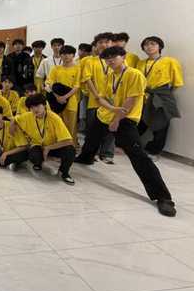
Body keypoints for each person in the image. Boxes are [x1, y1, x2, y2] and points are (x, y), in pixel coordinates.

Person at [75, 46, 175, 217]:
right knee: (92, 137)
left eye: (114, 57)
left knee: (138, 156)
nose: (110, 61)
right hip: (105, 114)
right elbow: (102, 98)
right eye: (107, 59)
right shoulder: (110, 75)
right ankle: (86, 157)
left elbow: (130, 101)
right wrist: (111, 109)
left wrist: (116, 119)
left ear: (123, 57)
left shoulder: (134, 75)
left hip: (125, 119)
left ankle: (163, 198)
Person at [11, 94, 76, 185]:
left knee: (70, 150)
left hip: (53, 146)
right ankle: (38, 163)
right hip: (38, 146)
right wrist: (12, 125)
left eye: (37, 106)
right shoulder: (28, 116)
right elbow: (15, 119)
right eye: (32, 107)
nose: (35, 109)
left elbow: (69, 141)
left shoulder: (54, 118)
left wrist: (48, 148)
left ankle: (64, 172)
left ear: (44, 105)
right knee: (34, 157)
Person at [137, 36, 184, 156]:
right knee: (139, 122)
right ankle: (131, 145)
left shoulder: (170, 61)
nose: (149, 46)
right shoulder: (141, 63)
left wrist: (163, 95)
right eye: (146, 44)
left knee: (161, 124)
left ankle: (154, 151)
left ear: (160, 46)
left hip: (161, 96)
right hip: (143, 96)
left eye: (153, 44)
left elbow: (177, 83)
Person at [81, 32, 115, 163]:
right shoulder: (90, 61)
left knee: (111, 128)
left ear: (111, 43)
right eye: (100, 42)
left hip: (113, 101)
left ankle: (107, 153)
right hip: (95, 100)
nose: (104, 45)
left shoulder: (118, 60)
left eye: (107, 42)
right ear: (96, 45)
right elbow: (87, 79)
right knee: (92, 128)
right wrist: (96, 95)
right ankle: (92, 153)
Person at [46, 45, 81, 145]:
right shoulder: (55, 69)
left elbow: (76, 86)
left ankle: (71, 146)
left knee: (71, 126)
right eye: (64, 54)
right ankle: (58, 147)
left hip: (71, 101)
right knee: (57, 125)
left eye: (69, 54)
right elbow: (49, 84)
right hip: (56, 101)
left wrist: (64, 97)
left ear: (73, 55)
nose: (66, 56)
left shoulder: (77, 69)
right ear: (60, 55)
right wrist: (57, 97)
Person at [0, 105, 28, 171]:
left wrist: (6, 153)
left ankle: (6, 162)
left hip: (15, 151)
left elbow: (24, 147)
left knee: (24, 154)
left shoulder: (11, 126)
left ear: (2, 115)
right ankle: (8, 163)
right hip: (2, 151)